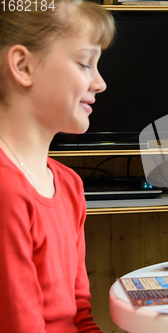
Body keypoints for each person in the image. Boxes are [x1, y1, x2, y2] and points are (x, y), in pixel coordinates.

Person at [0, 1, 114, 332]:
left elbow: (79, 314)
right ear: (23, 66)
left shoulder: (68, 184)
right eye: (84, 64)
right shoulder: (7, 190)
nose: (100, 83)